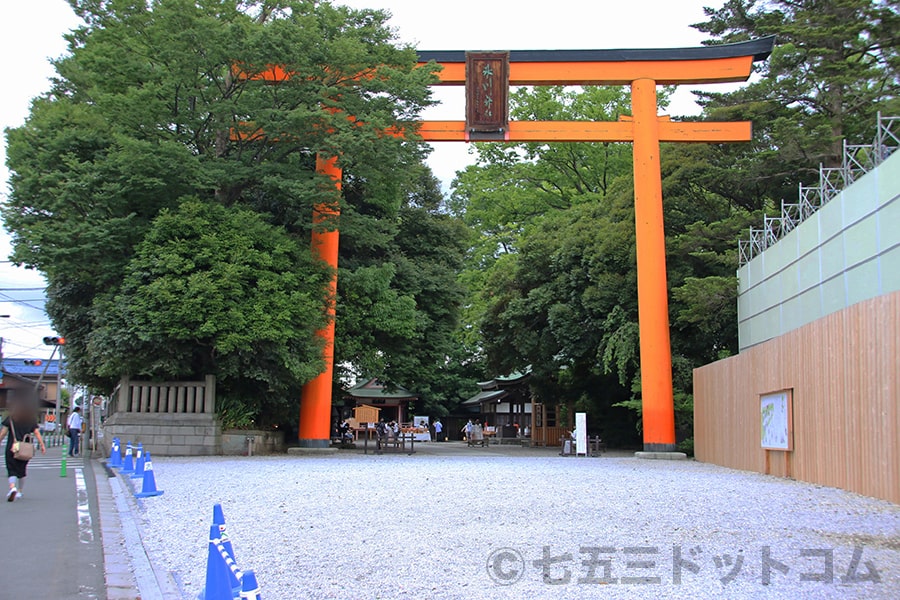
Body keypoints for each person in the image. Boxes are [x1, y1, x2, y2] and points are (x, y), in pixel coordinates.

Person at [0, 399, 47, 502]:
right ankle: (20, 491)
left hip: (12, 448)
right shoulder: (30, 420)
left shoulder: (11, 419)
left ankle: (12, 487)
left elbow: (3, 433)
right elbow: (37, 433)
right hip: (25, 449)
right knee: (22, 470)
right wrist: (42, 445)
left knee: (11, 469)